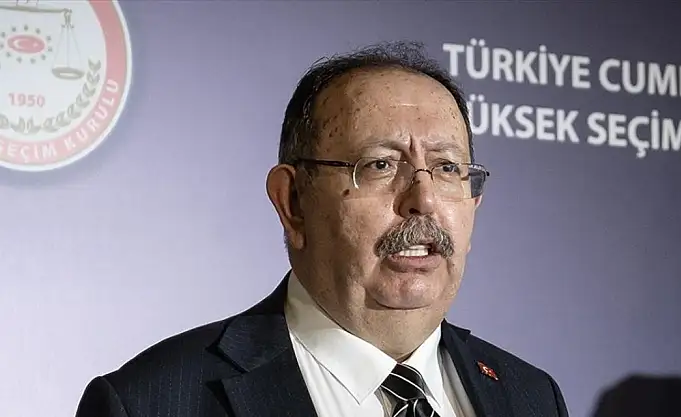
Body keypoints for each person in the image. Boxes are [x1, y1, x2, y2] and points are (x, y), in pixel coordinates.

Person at [76, 41, 569, 417]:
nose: (423, 200)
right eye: (379, 165)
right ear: (292, 203)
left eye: (446, 168)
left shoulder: (530, 396)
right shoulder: (152, 403)